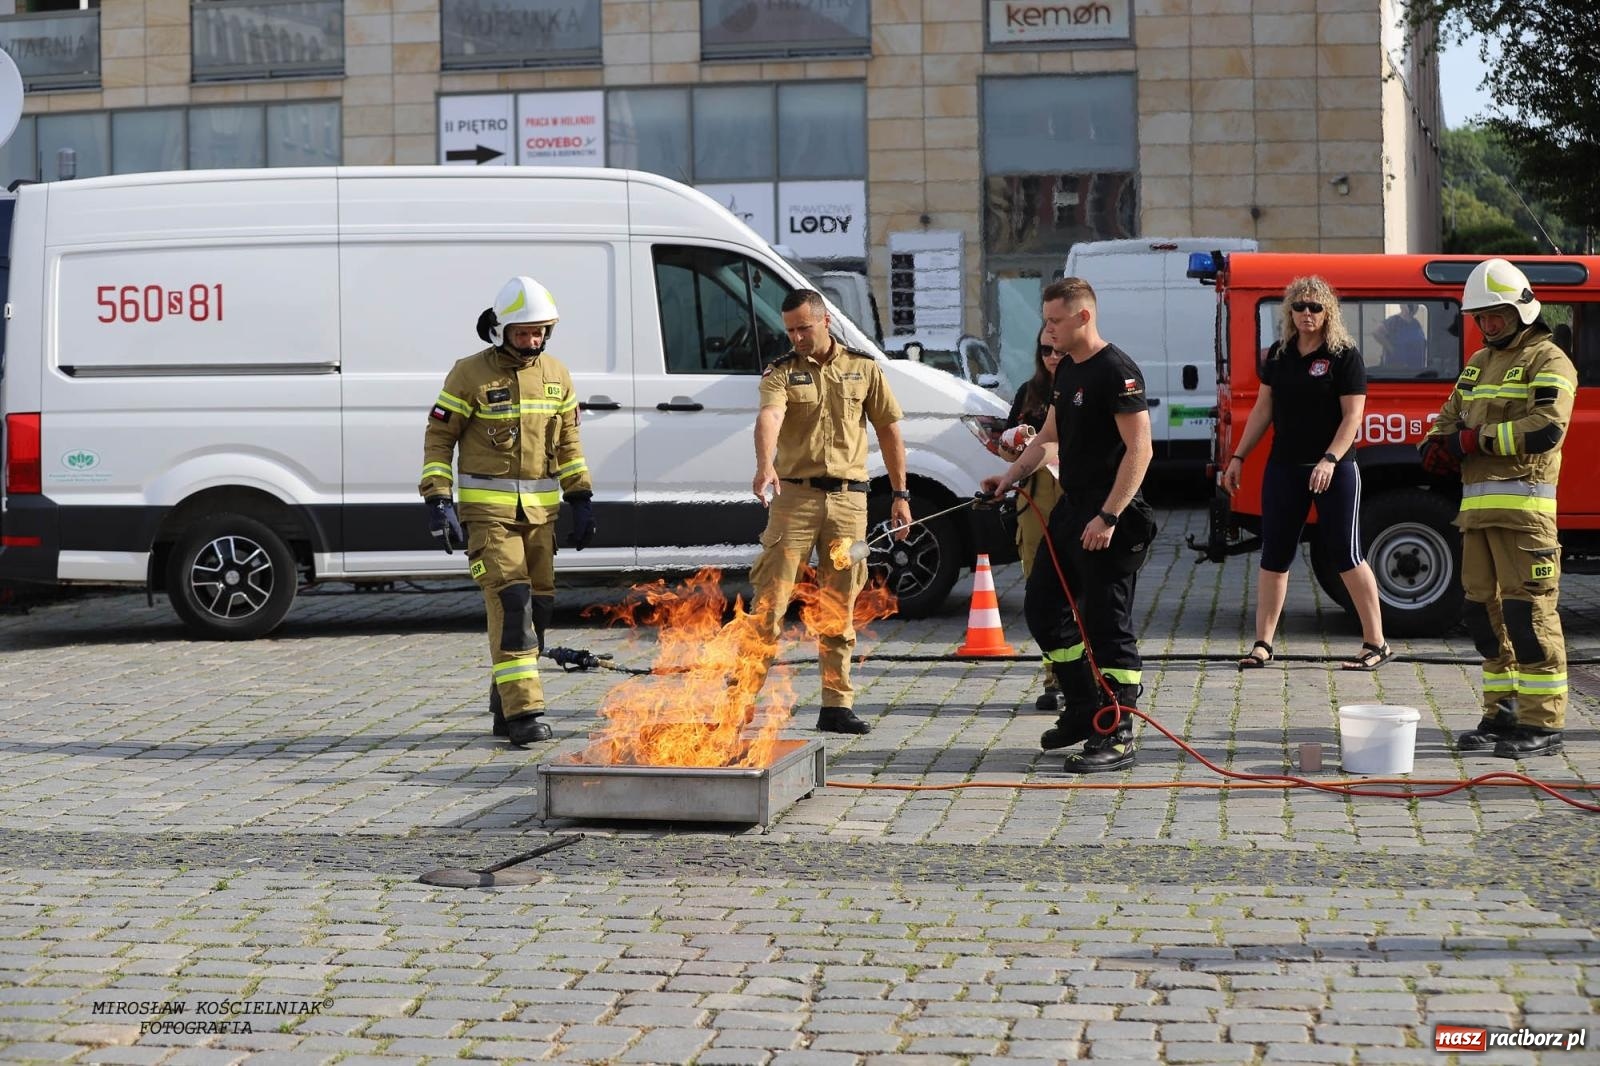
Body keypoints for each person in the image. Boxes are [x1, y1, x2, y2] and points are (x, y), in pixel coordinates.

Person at [981, 277, 1155, 773]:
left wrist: (1109, 516)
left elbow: (1141, 449)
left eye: (1055, 320)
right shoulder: (1068, 371)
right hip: (1070, 509)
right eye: (1046, 320)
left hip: (1109, 517)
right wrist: (1010, 477)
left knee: (1106, 625)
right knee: (1043, 609)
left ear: (1083, 317)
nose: (1048, 330)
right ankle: (1082, 707)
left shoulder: (1117, 371)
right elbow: (1050, 436)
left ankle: (1117, 730)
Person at [419, 276, 596, 748]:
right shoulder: (469, 373)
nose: (532, 341)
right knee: (511, 602)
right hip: (487, 515)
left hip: (542, 516)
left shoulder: (558, 375)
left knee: (539, 608)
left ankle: (505, 699)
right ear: (501, 330)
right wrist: (438, 498)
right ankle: (526, 714)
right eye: (523, 333)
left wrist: (581, 495)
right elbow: (440, 438)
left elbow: (569, 444)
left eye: (539, 332)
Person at [1419, 258, 1576, 758]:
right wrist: (1435, 446)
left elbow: (1546, 428)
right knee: (1482, 616)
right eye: (1481, 317)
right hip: (1477, 515)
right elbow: (1446, 421)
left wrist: (1475, 439)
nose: (1488, 326)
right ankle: (1503, 712)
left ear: (1523, 310)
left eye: (1497, 316)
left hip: (1526, 514)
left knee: (1528, 614)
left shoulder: (1549, 361)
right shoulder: (1477, 366)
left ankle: (1542, 723)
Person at [750, 289, 912, 735]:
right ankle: (743, 698)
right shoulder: (781, 373)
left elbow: (889, 430)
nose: (797, 337)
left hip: (848, 504)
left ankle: (836, 704)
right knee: (770, 602)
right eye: (790, 330)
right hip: (793, 502)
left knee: (840, 601)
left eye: (804, 327)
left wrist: (901, 495)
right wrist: (765, 465)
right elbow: (769, 417)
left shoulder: (863, 368)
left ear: (825, 322)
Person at [1222, 276, 1391, 673]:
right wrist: (1238, 457)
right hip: (1285, 466)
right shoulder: (1280, 355)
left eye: (1315, 307)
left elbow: (1353, 417)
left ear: (1328, 310)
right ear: (1290, 311)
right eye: (1299, 307)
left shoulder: (1344, 355)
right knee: (1274, 554)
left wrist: (1330, 460)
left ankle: (1376, 642)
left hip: (1336, 469)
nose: (1307, 314)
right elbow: (1264, 409)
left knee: (1346, 554)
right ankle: (1263, 643)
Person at [993, 330, 1064, 711]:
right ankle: (1053, 675)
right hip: (1033, 498)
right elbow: (1006, 449)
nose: (1052, 356)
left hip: (1071, 495)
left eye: (1057, 349)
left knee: (1075, 588)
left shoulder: (1084, 385)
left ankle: (1081, 673)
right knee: (1039, 587)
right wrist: (1011, 444)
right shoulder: (1029, 392)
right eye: (1044, 350)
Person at [1375, 302, 1427, 370]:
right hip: (1398, 369)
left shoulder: (1416, 323)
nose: (1414, 307)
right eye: (1411, 304)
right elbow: (1376, 332)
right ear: (1402, 306)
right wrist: (1391, 349)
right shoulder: (1394, 321)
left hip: (1415, 368)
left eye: (1416, 305)